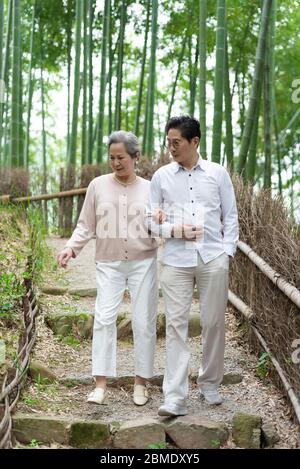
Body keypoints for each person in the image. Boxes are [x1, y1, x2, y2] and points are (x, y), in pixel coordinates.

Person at [57, 131, 160, 406]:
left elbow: (162, 224)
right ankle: (100, 384)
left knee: (143, 321)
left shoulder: (151, 188)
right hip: (108, 263)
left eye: (121, 157)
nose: (116, 162)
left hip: (144, 262)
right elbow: (85, 225)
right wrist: (71, 248)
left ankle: (141, 382)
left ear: (136, 157)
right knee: (103, 318)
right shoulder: (97, 186)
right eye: (112, 157)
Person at [146, 115, 239, 416]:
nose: (171, 147)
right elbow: (149, 222)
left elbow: (231, 214)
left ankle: (210, 382)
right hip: (175, 260)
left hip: (213, 257)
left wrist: (228, 252)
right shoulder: (161, 177)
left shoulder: (218, 173)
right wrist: (174, 230)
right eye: (168, 142)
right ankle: (175, 396)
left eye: (177, 142)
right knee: (175, 327)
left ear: (194, 142)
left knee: (213, 323)